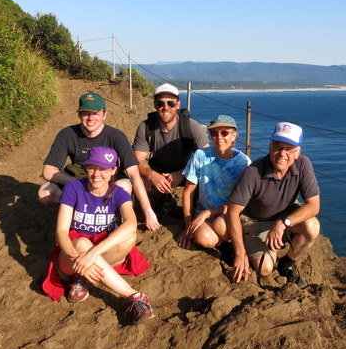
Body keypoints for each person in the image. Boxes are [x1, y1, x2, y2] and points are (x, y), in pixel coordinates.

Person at [41, 147, 154, 324]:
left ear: (113, 171)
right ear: (86, 168)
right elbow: (61, 232)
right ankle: (135, 296)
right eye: (92, 167)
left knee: (129, 237)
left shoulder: (118, 193)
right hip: (71, 254)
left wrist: (92, 255)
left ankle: (84, 277)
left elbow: (131, 224)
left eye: (103, 169)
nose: (96, 174)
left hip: (99, 254)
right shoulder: (74, 188)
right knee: (82, 243)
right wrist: (79, 258)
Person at [38, 92, 160, 231]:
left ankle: (113, 219)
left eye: (95, 113)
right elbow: (48, 171)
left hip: (108, 180)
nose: (90, 118)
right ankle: (74, 214)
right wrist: (78, 184)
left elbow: (133, 174)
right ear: (79, 115)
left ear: (104, 114)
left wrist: (148, 211)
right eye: (85, 113)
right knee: (45, 193)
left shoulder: (116, 136)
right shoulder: (67, 134)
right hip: (80, 178)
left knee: (124, 186)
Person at [227, 122, 321, 287]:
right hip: (255, 221)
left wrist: (283, 223)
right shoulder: (253, 172)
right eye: (277, 146)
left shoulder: (303, 164)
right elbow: (233, 212)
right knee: (265, 269)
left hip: (282, 217)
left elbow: (314, 206)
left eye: (289, 148)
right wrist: (240, 254)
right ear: (270, 147)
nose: (282, 153)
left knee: (312, 226)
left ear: (297, 152)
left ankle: (288, 262)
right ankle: (245, 249)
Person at [177, 115, 251, 250]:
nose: (219, 137)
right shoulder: (200, 155)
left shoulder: (243, 163)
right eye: (214, 133)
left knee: (220, 224)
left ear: (233, 136)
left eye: (224, 133)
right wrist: (188, 225)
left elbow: (243, 203)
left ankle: (233, 245)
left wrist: (209, 212)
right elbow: (188, 191)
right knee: (203, 238)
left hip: (229, 215)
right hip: (204, 214)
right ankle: (225, 243)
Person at [133, 83, 209, 195]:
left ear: (178, 105)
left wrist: (182, 173)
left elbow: (206, 158)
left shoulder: (190, 126)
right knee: (136, 183)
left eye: (171, 103)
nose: (166, 107)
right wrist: (152, 175)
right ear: (155, 105)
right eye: (160, 103)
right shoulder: (146, 127)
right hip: (157, 170)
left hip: (186, 172)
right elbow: (136, 161)